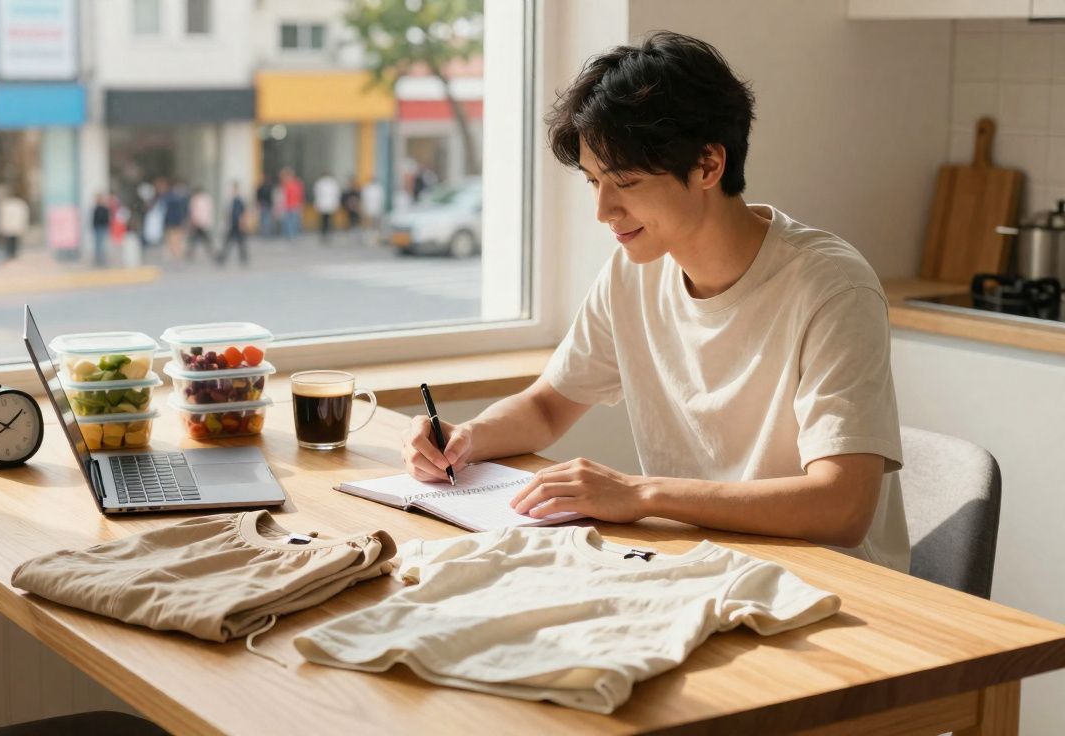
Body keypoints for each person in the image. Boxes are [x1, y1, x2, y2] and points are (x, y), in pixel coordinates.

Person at [400, 32, 909, 573]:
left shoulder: (831, 287)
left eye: (627, 182)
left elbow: (842, 507)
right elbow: (549, 405)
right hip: (706, 567)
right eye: (594, 181)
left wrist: (639, 494)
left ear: (709, 165)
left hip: (839, 589)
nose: (603, 210)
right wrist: (465, 439)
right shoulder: (634, 270)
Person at [217, 181, 249, 267]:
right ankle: (222, 258)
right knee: (228, 241)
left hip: (238, 224)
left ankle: (243, 258)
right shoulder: (230, 200)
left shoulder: (240, 200)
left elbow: (243, 212)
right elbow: (227, 212)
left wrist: (242, 223)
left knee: (240, 242)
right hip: (232, 224)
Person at [0, 190, 29, 259]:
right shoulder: (20, 203)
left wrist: (0, 226)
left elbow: (1, 216)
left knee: (9, 242)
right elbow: (23, 216)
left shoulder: (5, 204)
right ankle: (12, 254)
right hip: (15, 226)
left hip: (9, 226)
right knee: (14, 242)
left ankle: (10, 254)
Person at [162, 180, 190, 261]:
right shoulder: (182, 199)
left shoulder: (169, 198)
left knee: (173, 240)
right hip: (178, 222)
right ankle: (177, 256)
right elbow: (185, 211)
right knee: (177, 240)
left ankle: (176, 256)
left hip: (171, 223)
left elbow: (165, 211)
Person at [187, 186, 214, 261]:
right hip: (200, 221)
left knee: (198, 238)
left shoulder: (198, 199)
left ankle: (191, 252)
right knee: (198, 238)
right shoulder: (205, 199)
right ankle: (191, 252)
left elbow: (193, 211)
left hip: (200, 221)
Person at [313, 172, 341, 243]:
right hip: (327, 205)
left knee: (325, 221)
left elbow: (317, 194)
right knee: (327, 221)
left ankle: (326, 234)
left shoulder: (321, 183)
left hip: (325, 205)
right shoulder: (331, 183)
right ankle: (326, 235)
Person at [280, 168, 304, 242]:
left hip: (294, 205)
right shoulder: (285, 184)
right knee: (287, 222)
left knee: (293, 222)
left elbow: (300, 195)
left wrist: (300, 204)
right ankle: (289, 235)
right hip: (288, 206)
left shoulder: (295, 184)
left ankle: (292, 235)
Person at [360, 178, 385, 247]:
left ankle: (375, 240)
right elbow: (364, 200)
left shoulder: (378, 189)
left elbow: (381, 200)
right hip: (369, 209)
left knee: (375, 225)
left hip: (376, 209)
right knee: (368, 225)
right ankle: (367, 239)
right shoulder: (367, 188)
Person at [91, 192, 111, 267]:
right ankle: (98, 258)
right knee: (98, 244)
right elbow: (94, 219)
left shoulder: (104, 208)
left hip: (102, 227)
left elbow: (107, 219)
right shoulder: (97, 208)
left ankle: (101, 258)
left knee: (101, 244)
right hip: (98, 228)